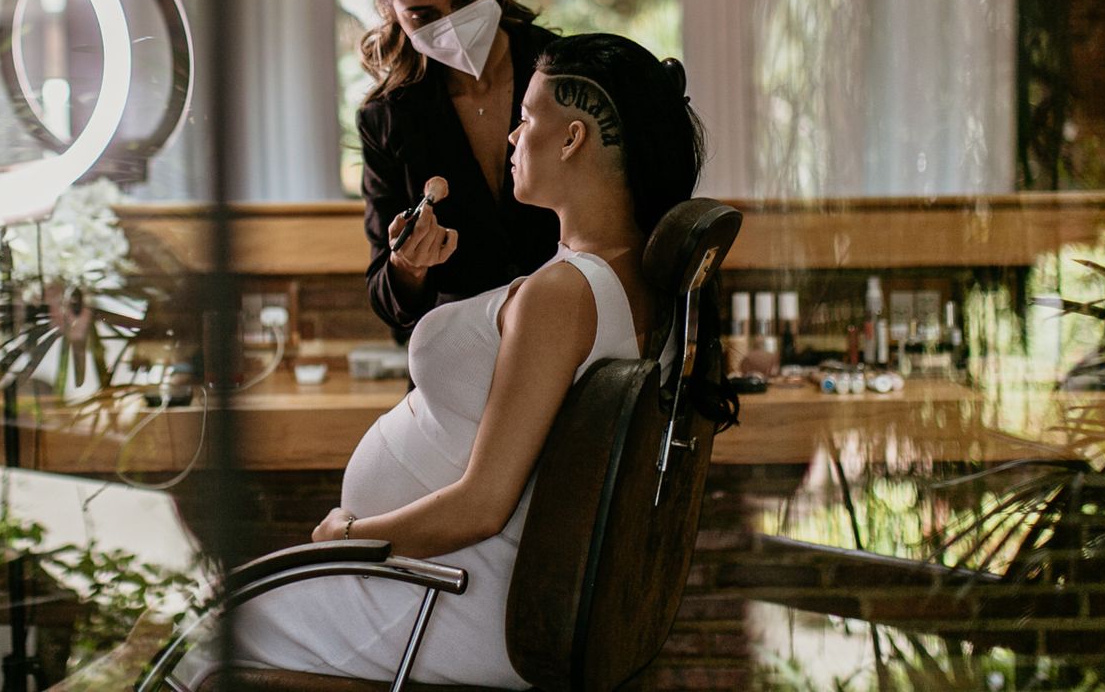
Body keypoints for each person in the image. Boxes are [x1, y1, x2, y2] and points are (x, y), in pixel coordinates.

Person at [171, 34, 739, 689]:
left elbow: (481, 506)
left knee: (201, 642)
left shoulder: (566, 294)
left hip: (457, 593)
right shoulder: (638, 282)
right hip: (456, 580)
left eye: (526, 119)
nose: (512, 137)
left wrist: (350, 534)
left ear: (573, 138)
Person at [357, 0, 562, 339]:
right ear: (394, 13)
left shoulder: (564, 73)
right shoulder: (388, 118)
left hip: (572, 343)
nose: (450, 24)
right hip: (456, 357)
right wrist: (407, 264)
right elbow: (386, 297)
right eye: (423, 16)